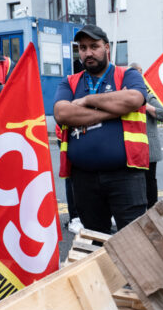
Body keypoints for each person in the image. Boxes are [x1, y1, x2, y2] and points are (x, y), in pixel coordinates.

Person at [53, 24, 148, 234]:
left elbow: (134, 99)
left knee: (134, 239)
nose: (88, 52)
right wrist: (113, 109)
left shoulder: (128, 75)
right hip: (83, 178)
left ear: (106, 48)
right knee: (95, 239)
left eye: (94, 46)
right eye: (83, 47)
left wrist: (86, 100)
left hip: (125, 175)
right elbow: (62, 113)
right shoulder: (69, 82)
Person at [130, 62, 163, 208]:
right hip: (133, 145)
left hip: (149, 148)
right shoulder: (127, 96)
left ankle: (152, 208)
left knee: (149, 180)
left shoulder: (148, 96)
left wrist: (146, 105)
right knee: (134, 180)